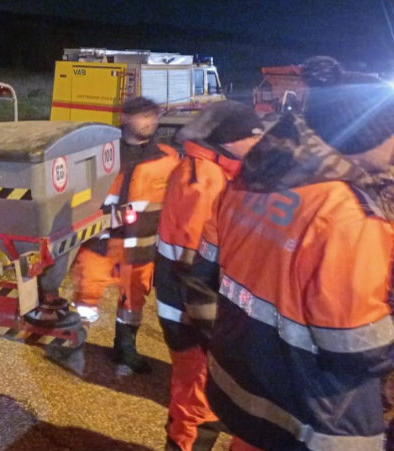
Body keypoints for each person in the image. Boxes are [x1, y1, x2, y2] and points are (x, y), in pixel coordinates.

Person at [183, 56, 394, 450]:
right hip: (316, 415)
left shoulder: (247, 181)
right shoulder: (347, 214)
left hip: (241, 389)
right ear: (364, 138)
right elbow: (356, 347)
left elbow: (203, 279)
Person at [154, 101, 264, 451]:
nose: (259, 143)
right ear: (230, 140)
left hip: (193, 308)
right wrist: (208, 321)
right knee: (196, 399)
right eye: (253, 136)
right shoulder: (204, 180)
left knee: (200, 397)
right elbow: (195, 260)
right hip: (194, 313)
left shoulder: (209, 171)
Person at [71, 96, 179, 373]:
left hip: (141, 245)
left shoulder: (168, 158)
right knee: (85, 296)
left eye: (153, 116)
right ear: (125, 118)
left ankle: (125, 348)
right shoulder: (101, 155)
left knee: (133, 301)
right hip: (99, 242)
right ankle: (73, 343)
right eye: (143, 116)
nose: (150, 122)